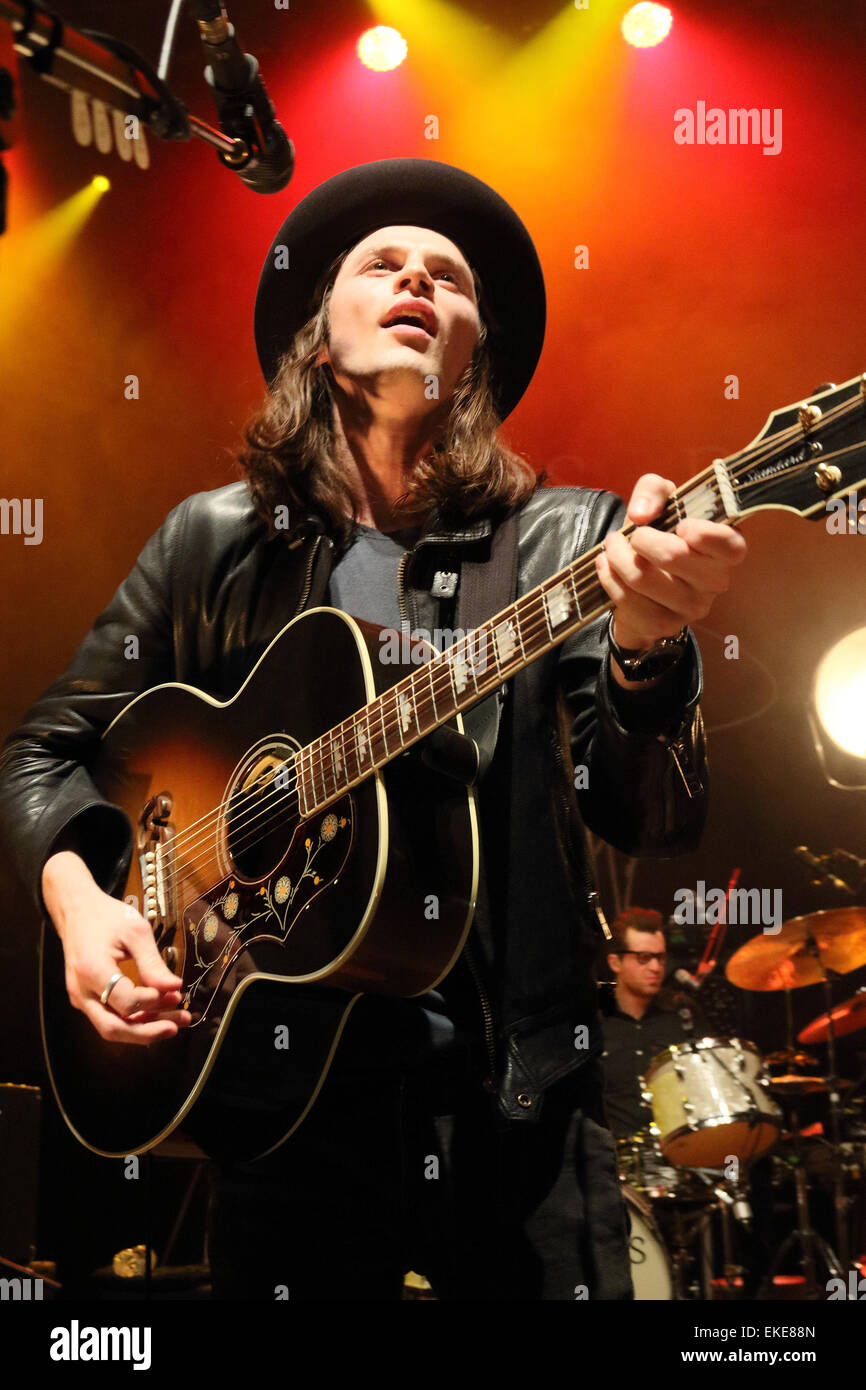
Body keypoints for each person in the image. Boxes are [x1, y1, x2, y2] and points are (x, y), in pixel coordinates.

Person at [0, 158, 748, 1300]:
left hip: (515, 1109)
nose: (417, 279)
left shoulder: (568, 542)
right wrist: (85, 903)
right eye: (382, 264)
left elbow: (648, 810)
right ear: (316, 337)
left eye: (448, 279)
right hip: (274, 1102)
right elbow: (40, 754)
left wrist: (645, 647)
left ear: (471, 354)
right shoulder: (213, 542)